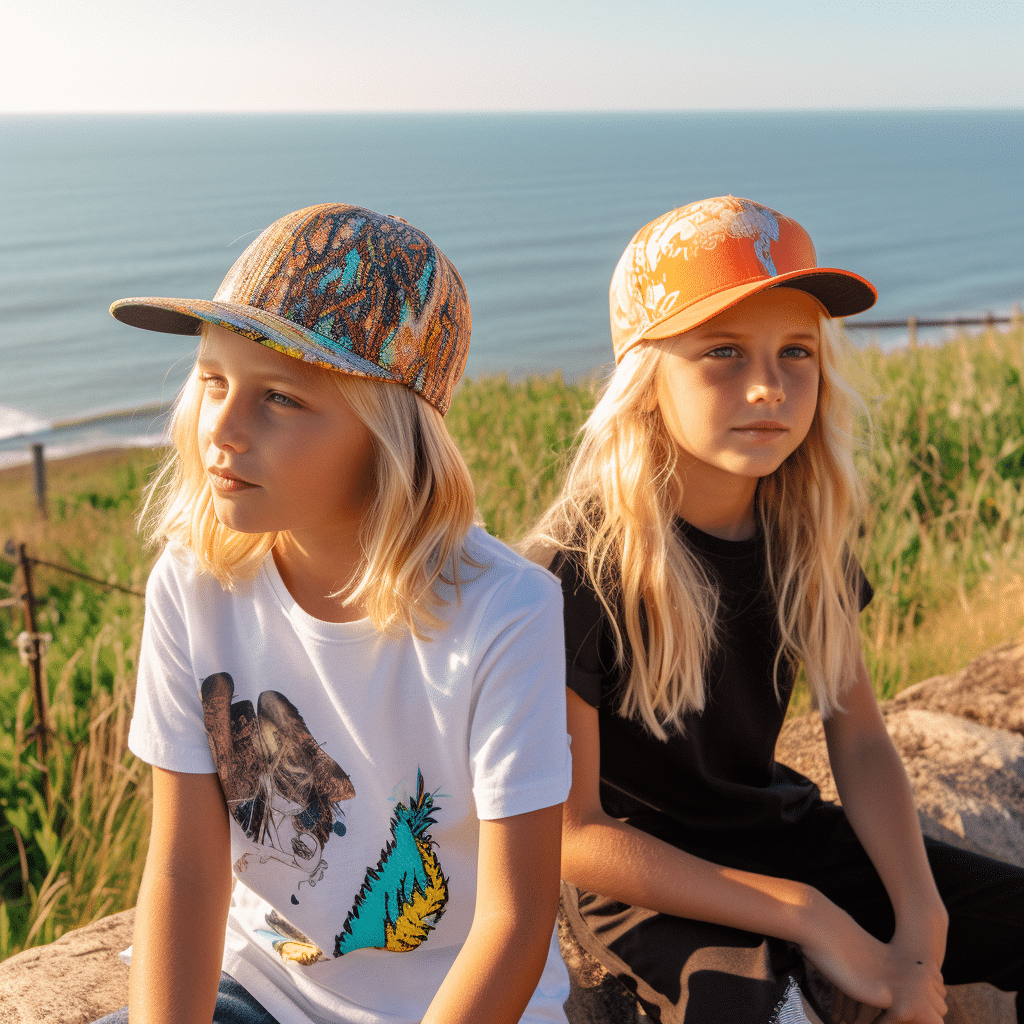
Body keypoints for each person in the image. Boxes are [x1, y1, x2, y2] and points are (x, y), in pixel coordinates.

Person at [525, 195, 1024, 1024]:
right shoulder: (576, 568)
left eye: (797, 351)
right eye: (722, 351)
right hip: (649, 886)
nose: (769, 386)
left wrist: (922, 916)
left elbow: (858, 736)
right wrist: (808, 915)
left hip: (782, 834)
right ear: (647, 380)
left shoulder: (806, 529)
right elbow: (574, 833)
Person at [99, 204, 572, 1024]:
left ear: (389, 436)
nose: (224, 429)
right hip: (263, 994)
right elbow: (184, 870)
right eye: (213, 380)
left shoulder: (505, 609)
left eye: (279, 398)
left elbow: (515, 921)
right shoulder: (192, 583)